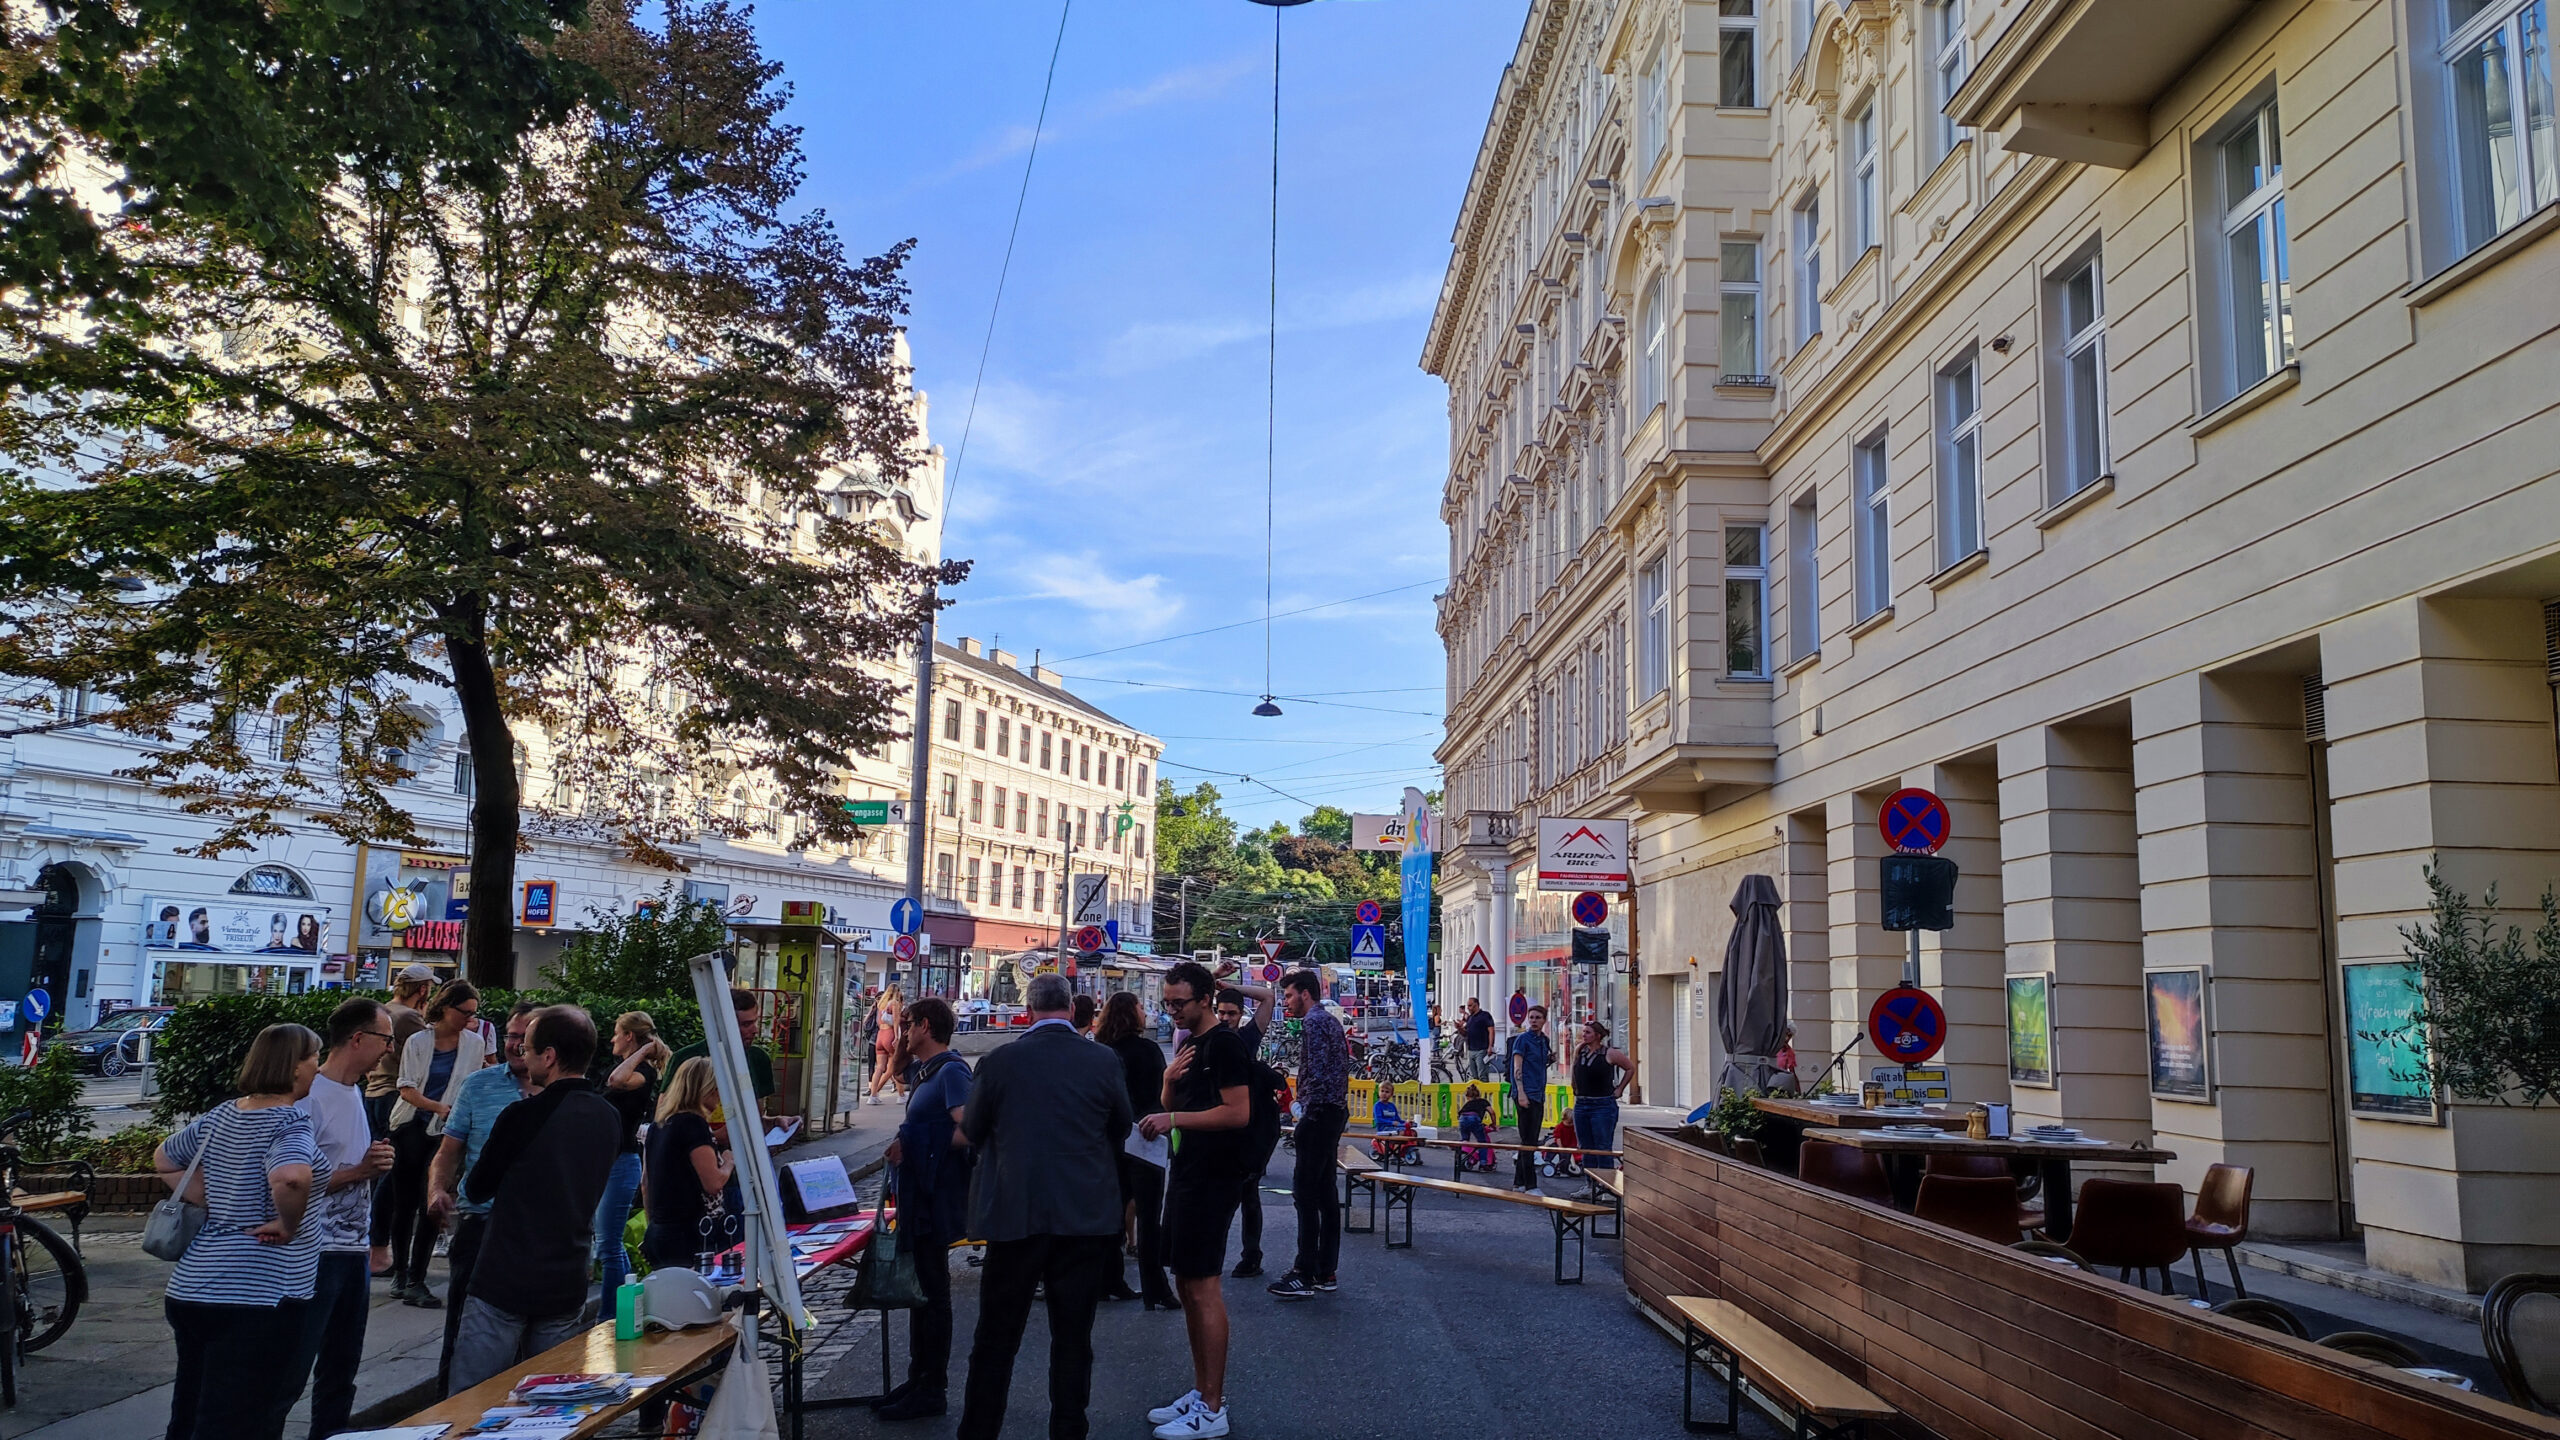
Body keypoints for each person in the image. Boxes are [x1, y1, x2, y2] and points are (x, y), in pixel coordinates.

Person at [954, 972, 1132, 1440]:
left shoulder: (999, 1061)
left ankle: (979, 1430)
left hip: (1015, 1211)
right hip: (1085, 1215)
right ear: (1071, 1010)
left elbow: (972, 1130)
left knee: (996, 1337)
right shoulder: (1103, 1060)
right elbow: (1122, 1125)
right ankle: (1069, 1429)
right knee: (1073, 1337)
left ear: (1028, 1010)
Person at [154, 1024, 326, 1440]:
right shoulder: (289, 1121)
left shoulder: (223, 1115)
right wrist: (289, 1224)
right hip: (260, 1294)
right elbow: (291, 1178)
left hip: (194, 1288)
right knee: (241, 1420)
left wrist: (211, 1197)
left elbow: (164, 1157)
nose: (317, 1068)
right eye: (313, 1058)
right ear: (294, 1067)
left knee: (191, 1411)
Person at [448, 1006, 619, 1394]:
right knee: (553, 1401)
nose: (522, 1055)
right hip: (568, 1272)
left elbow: (476, 1188)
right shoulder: (608, 1116)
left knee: (474, 1399)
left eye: (527, 1048)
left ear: (550, 1056)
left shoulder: (523, 1115)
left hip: (507, 1272)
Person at [1139, 962, 1253, 1439]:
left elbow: (1238, 1113)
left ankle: (1213, 1405)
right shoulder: (1193, 1045)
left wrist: (1177, 1120)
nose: (1172, 1012)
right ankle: (1201, 1390)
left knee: (1203, 1288)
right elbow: (1173, 1107)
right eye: (1167, 1004)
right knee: (1187, 1283)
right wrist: (1168, 1085)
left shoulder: (1224, 1043)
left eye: (1179, 1003)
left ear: (1205, 998)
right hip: (1188, 1174)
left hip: (1213, 1178)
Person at [275, 1000, 397, 1440]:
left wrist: (374, 1165)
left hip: (352, 1250)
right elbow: (289, 1181)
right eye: (386, 1039)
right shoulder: (311, 1098)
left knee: (342, 1364)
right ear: (358, 1039)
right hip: (315, 1252)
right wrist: (360, 1171)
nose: (390, 1048)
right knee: (294, 1365)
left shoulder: (355, 1094)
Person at [427, 1003, 537, 1394]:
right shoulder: (479, 1084)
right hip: (481, 1229)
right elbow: (448, 1151)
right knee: (462, 1335)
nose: (514, 1044)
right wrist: (437, 1189)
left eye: (525, 1038)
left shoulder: (563, 1094)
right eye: (510, 1034)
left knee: (533, 1345)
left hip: (538, 1235)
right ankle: (446, 1420)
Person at [873, 998, 972, 1421]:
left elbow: (969, 1131)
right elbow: (896, 1071)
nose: (902, 1031)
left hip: (936, 1198)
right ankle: (919, 1377)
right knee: (922, 1292)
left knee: (933, 1294)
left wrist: (912, 1145)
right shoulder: (927, 1070)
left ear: (925, 1026)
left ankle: (933, 1387)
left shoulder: (951, 1071)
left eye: (908, 1024)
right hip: (918, 1196)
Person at [387, 980, 487, 1306]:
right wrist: (439, 1107)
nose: (470, 1019)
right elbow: (406, 1088)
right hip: (412, 1126)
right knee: (405, 1203)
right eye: (465, 1012)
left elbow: (475, 1079)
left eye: (474, 1014)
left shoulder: (474, 1043)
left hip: (446, 1132)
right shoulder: (419, 1041)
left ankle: (416, 1277)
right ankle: (402, 1275)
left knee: (432, 1201)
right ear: (446, 1008)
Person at [1265, 968, 1348, 1302]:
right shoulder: (1330, 1021)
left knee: (1305, 1193)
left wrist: (1302, 1109)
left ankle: (1304, 1272)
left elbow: (1314, 1070)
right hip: (1334, 1111)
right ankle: (1326, 1270)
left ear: (1306, 994)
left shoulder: (1313, 1023)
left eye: (1289, 995)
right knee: (1326, 1193)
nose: (1287, 1002)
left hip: (1318, 1114)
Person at [1096, 992, 1173, 1310]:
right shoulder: (1148, 1050)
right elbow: (1160, 1095)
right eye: (1141, 1006)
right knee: (1149, 1215)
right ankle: (1155, 1287)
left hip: (1111, 1141)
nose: (1145, 1011)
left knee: (1112, 1214)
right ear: (1132, 1013)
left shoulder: (1101, 1051)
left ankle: (1108, 1280)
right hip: (1146, 1137)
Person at [594, 1012, 668, 1304]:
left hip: (622, 1162)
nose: (612, 1038)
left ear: (628, 1036)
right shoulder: (629, 1067)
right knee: (608, 1244)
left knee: (609, 1245)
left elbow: (616, 1080)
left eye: (616, 1032)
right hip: (609, 1161)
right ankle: (628, 1304)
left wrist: (644, 1050)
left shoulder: (643, 1073)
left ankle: (610, 1314)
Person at [365, 965, 434, 1276]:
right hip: (397, 1096)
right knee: (393, 1176)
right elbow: (427, 1052)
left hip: (375, 1094)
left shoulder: (385, 1010)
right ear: (422, 989)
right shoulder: (409, 1018)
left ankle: (377, 1247)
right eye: (428, 988)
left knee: (382, 1171)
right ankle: (378, 1249)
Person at [641, 1057, 734, 1270]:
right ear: (706, 1089)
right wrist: (728, 1162)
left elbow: (646, 1183)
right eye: (717, 1088)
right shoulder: (693, 1124)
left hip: (659, 1229)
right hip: (689, 1231)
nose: (720, 1095)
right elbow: (713, 1183)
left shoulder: (659, 1125)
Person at [1211, 989, 1278, 1281]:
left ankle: (1251, 1256)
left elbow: (1268, 997)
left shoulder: (1248, 1037)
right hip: (1217, 1125)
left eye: (1232, 1013)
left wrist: (1232, 987)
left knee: (1248, 1195)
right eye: (1221, 1012)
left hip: (1250, 1128)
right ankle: (1214, 1258)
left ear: (1241, 1014)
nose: (1225, 1018)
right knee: (1221, 1197)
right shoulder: (1208, 1035)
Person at [660, 987, 776, 1117]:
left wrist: (776, 1122)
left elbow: (757, 1118)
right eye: (746, 1024)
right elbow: (663, 1113)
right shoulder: (686, 1058)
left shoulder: (758, 1058)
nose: (755, 1030)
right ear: (723, 1024)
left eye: (755, 1022)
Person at [1570, 1018, 1635, 1172]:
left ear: (1598, 1035)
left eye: (1588, 1032)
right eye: (1583, 1032)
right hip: (1581, 1103)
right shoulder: (1580, 1050)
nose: (1584, 1035)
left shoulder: (1609, 1053)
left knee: (1602, 1146)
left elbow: (1630, 1068)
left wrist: (1619, 1089)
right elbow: (1575, 1069)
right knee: (1585, 1146)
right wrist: (1574, 1085)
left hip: (1602, 1105)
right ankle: (1590, 1185)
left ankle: (1606, 1187)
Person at [1506, 1005, 1554, 1192]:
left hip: (1538, 1092)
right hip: (1526, 1093)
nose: (1534, 1021)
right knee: (1529, 1141)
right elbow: (1517, 1067)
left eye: (1538, 1017)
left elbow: (1539, 1065)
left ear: (1544, 1020)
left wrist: (1550, 1060)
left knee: (1528, 1138)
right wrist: (1521, 1093)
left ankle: (1519, 1181)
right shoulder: (1522, 1040)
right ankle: (1530, 1185)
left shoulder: (1544, 1040)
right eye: (1531, 1017)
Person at [866, 984, 904, 1104]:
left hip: (880, 1035)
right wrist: (897, 1036)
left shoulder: (881, 1003)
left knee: (880, 1067)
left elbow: (878, 1021)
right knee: (893, 1067)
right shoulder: (894, 1003)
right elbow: (896, 1021)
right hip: (889, 1034)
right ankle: (878, 1093)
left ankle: (873, 1095)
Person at [1456, 1085, 1494, 1171]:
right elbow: (1492, 1112)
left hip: (1463, 1118)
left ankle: (1461, 1159)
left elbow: (1460, 1114)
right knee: (1482, 1142)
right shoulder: (1483, 1101)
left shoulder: (1467, 1104)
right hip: (1474, 1118)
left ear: (1468, 1096)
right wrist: (1493, 1124)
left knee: (1464, 1140)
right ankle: (1483, 1164)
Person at [1460, 998, 1495, 1081]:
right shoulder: (1470, 1018)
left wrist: (1490, 1046)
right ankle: (1476, 1093)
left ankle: (1484, 1093)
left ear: (1476, 1005)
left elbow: (1491, 1031)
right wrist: (1459, 1028)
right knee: (1473, 1076)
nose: (1468, 1008)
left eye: (1470, 1005)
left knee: (1482, 1074)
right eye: (1467, 1006)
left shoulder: (1485, 1015)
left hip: (1482, 1049)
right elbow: (1466, 1033)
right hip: (1471, 1049)